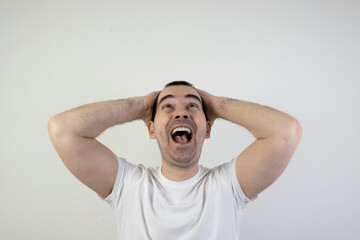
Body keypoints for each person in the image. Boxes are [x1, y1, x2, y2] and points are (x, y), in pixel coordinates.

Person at [48, 81, 302, 239]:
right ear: (151, 129)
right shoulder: (128, 185)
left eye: (193, 106)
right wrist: (141, 104)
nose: (181, 111)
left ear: (208, 129)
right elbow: (62, 129)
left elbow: (286, 132)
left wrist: (217, 103)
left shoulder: (228, 186)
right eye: (168, 107)